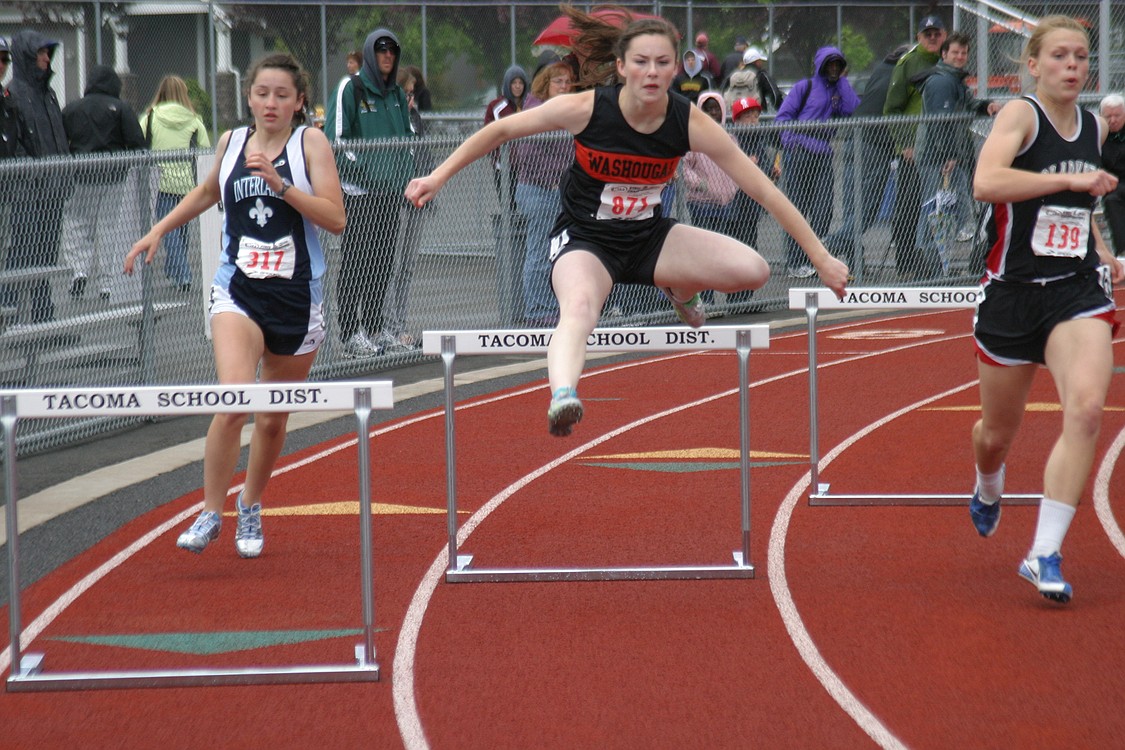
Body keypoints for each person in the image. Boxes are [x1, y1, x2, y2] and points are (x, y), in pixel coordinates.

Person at [405, 8, 848, 438]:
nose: (651, 72)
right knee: (579, 311)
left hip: (649, 238)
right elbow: (500, 131)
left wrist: (822, 258)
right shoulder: (587, 109)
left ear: (676, 68)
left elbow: (765, 191)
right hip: (586, 241)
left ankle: (680, 288)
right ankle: (562, 395)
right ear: (621, 67)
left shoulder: (688, 121)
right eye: (640, 62)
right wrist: (437, 175)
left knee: (755, 271)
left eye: (661, 62)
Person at [125, 52, 345, 557]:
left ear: (299, 102)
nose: (271, 103)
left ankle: (250, 505)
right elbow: (206, 192)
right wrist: (158, 229)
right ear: (248, 97)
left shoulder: (310, 143)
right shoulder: (229, 143)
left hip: (296, 296)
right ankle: (209, 511)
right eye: (262, 93)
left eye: (282, 95)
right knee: (234, 399)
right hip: (238, 290)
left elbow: (336, 219)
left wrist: (282, 185)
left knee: (271, 418)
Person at [967, 16, 1122, 605]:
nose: (1073, 66)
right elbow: (986, 182)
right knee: (995, 436)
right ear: (1033, 65)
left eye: (1081, 57)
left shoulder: (1093, 126)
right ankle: (987, 482)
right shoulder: (1020, 116)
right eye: (1059, 56)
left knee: (1085, 410)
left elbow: (1082, 207)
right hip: (1012, 293)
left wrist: (1104, 252)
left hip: (1076, 290)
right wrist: (1071, 180)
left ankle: (1044, 552)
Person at [324, 29, 416, 358]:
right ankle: (350, 332)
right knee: (356, 262)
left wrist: (404, 179)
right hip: (360, 194)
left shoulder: (396, 96)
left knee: (382, 262)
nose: (387, 55)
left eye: (392, 49)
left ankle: (376, 328)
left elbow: (407, 139)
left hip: (390, 194)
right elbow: (336, 141)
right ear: (369, 53)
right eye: (381, 50)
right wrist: (369, 172)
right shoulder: (351, 87)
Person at [913, 32, 1000, 276]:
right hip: (937, 159)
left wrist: (986, 106)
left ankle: (938, 266)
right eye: (955, 52)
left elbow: (969, 105)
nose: (960, 57)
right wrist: (948, 155)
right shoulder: (941, 81)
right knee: (934, 211)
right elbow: (941, 122)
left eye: (964, 53)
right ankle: (930, 270)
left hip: (949, 158)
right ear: (944, 54)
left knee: (949, 211)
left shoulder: (955, 80)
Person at [58, 65, 147, 301]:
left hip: (80, 175)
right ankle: (107, 283)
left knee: (77, 225)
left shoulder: (72, 108)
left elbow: (60, 141)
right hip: (114, 176)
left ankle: (79, 270)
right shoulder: (120, 108)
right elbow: (137, 142)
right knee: (109, 229)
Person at [2, 29, 69, 324]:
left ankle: (44, 317)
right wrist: (29, 174)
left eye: (47, 52)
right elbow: (13, 144)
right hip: (26, 191)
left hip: (53, 188)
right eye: (40, 52)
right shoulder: (14, 94)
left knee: (46, 257)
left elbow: (57, 137)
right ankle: (9, 315)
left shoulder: (49, 94)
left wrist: (63, 173)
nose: (45, 58)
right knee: (21, 254)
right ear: (27, 56)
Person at [774, 46, 859, 278]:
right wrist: (792, 143)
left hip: (823, 154)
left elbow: (854, 109)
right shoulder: (805, 87)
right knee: (797, 210)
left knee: (823, 209)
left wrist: (842, 82)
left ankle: (814, 260)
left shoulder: (838, 90)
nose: (833, 68)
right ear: (821, 65)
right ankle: (795, 263)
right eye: (829, 64)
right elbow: (783, 118)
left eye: (837, 64)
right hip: (800, 152)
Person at [884, 14, 947, 281]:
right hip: (913, 151)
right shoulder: (909, 62)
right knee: (908, 207)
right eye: (927, 34)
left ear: (944, 35)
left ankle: (935, 263)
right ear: (919, 37)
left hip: (940, 150)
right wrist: (905, 145)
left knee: (940, 207)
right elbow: (892, 109)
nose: (932, 38)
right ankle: (907, 263)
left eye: (936, 33)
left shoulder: (948, 61)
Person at [515, 61, 574, 327]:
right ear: (545, 84)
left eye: (566, 81)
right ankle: (537, 311)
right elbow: (526, 154)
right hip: (538, 190)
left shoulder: (562, 111)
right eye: (558, 81)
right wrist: (553, 178)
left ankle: (550, 306)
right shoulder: (537, 110)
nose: (564, 86)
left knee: (556, 252)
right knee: (539, 252)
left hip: (556, 191)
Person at [139, 75, 211, 293]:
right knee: (181, 230)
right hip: (186, 183)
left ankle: (181, 274)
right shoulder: (194, 121)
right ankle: (177, 271)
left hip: (159, 182)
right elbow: (205, 148)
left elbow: (137, 142)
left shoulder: (150, 118)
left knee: (167, 230)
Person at [378, 68, 432, 351]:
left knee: (408, 267)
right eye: (405, 93)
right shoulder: (391, 120)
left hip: (418, 201)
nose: (410, 99)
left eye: (413, 93)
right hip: (398, 200)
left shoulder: (415, 119)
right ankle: (389, 328)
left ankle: (400, 325)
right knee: (394, 266)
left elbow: (424, 157)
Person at [484, 64, 529, 206]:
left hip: (526, 167)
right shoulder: (496, 106)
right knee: (507, 205)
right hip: (504, 166)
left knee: (525, 206)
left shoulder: (529, 105)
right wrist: (496, 156)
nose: (517, 86)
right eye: (514, 82)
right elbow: (488, 134)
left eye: (520, 83)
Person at [1098, 93, 1125, 256]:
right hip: (1113, 184)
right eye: (1108, 116)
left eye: (1117, 115)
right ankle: (1122, 251)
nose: (1113, 120)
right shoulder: (1099, 135)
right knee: (1112, 200)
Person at [744, 47, 783, 113]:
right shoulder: (761, 75)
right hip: (758, 114)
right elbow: (775, 95)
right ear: (757, 62)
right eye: (760, 60)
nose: (762, 63)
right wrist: (781, 110)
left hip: (739, 115)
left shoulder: (735, 76)